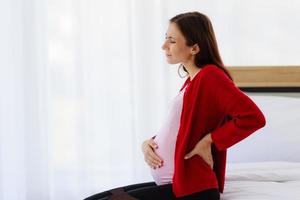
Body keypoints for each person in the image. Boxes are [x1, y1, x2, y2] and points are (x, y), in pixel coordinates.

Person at [84, 11, 266, 200]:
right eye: (166, 38)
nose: (164, 46)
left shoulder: (210, 76)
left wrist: (209, 141)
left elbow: (253, 118)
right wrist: (149, 143)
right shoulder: (191, 80)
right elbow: (184, 127)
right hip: (176, 182)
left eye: (171, 40)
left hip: (193, 189)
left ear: (194, 48)